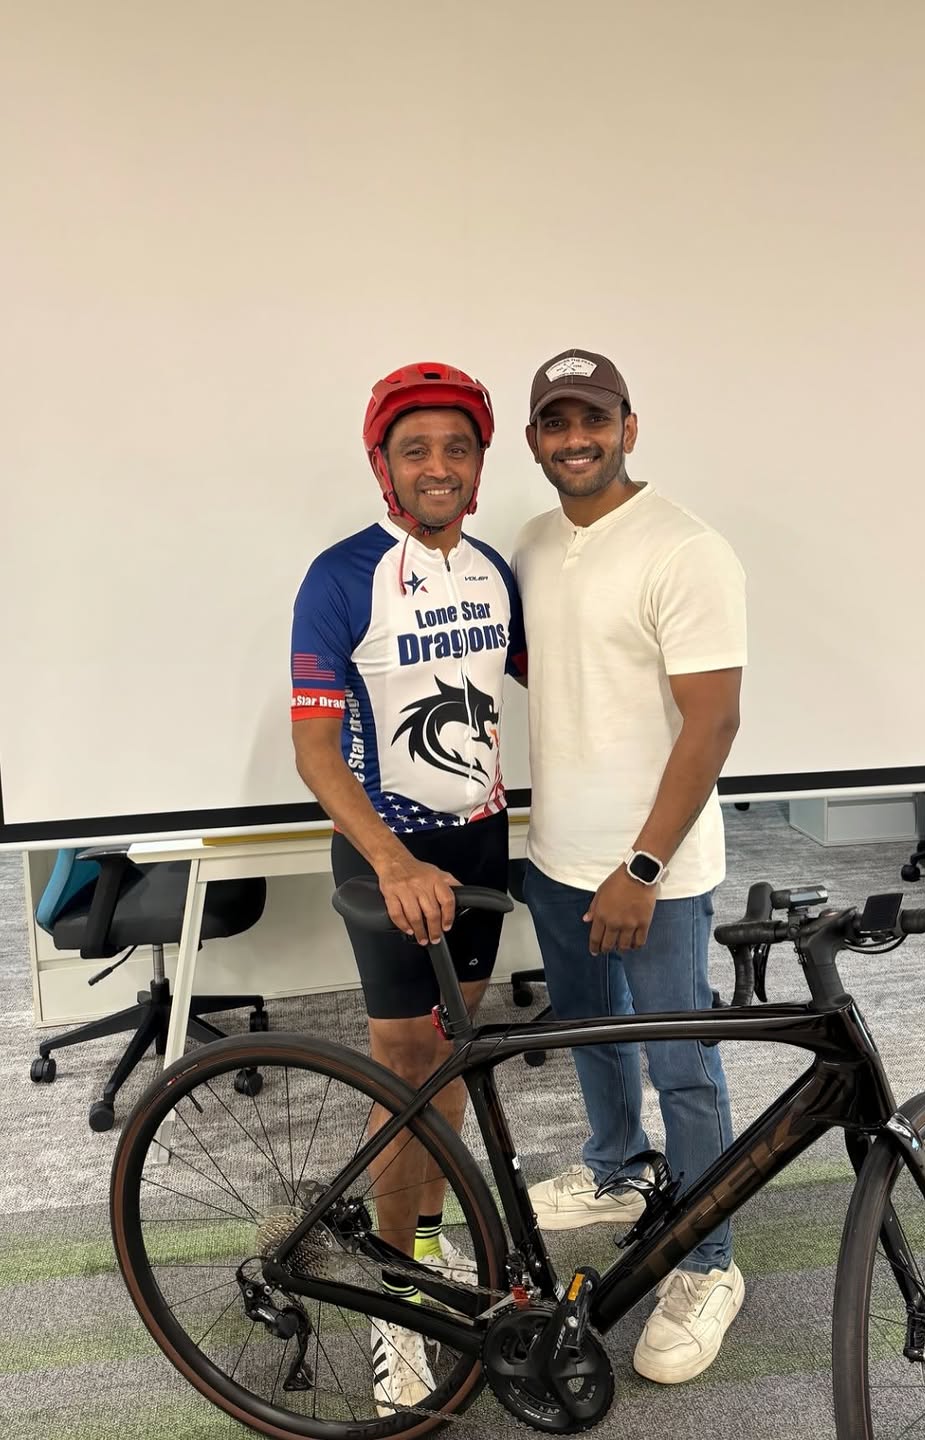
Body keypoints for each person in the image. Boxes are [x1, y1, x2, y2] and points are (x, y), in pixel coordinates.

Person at [290, 361, 525, 1414]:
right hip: (389, 855)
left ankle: (426, 1241)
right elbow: (315, 751)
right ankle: (395, 1298)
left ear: (479, 463)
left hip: (479, 844)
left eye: (457, 447)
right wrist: (392, 860)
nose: (439, 465)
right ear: (383, 463)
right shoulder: (341, 576)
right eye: (416, 447)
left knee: (455, 1060)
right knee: (404, 1069)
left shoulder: (494, 572)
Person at [512, 348, 747, 1386]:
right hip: (557, 856)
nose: (577, 440)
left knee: (681, 1065)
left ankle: (709, 1257)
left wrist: (641, 867)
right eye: (557, 423)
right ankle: (616, 1169)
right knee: (588, 1032)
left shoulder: (686, 550)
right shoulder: (531, 544)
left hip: (657, 872)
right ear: (535, 440)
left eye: (593, 420)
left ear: (629, 427)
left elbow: (714, 721)